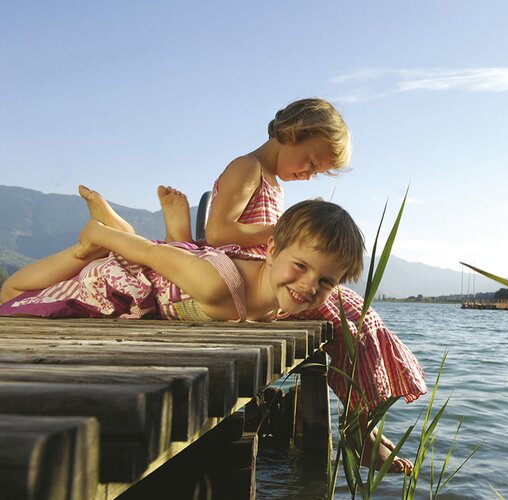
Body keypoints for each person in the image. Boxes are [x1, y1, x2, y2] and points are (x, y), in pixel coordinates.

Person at [157, 98, 427, 473]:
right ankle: (358, 429)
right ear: (293, 132)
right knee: (351, 317)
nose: (309, 174)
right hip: (252, 279)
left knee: (358, 317)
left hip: (271, 280)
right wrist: (293, 234)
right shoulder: (248, 167)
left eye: (318, 172)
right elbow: (218, 233)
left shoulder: (272, 181)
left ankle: (362, 421)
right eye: (311, 162)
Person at [0, 187, 363, 324]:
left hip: (173, 272)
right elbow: (147, 253)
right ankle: (101, 235)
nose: (309, 285)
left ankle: (123, 231)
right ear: (270, 250)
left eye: (326, 280)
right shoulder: (217, 287)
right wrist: (100, 239)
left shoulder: (280, 302)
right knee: (11, 293)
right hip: (124, 279)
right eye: (300, 266)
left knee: (163, 252)